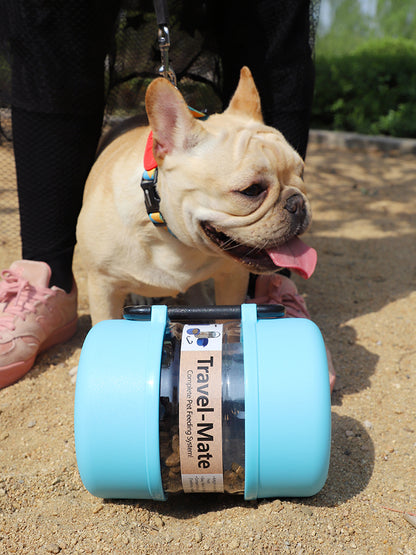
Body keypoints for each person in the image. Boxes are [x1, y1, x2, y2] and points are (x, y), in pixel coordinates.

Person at [0, 0, 325, 389]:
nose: (293, 205)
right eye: (252, 190)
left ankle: (259, 301)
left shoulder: (232, 208)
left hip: (213, 247)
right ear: (167, 143)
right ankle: (48, 281)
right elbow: (104, 279)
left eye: (296, 179)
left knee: (270, 16)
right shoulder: (108, 225)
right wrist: (108, 349)